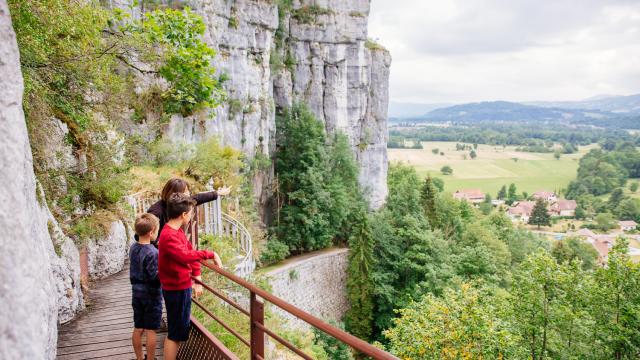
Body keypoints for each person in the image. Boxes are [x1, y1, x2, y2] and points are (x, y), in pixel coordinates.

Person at [159, 193, 222, 360]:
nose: (193, 215)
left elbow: (190, 252)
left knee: (176, 331)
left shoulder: (174, 231)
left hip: (179, 287)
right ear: (184, 214)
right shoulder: (169, 236)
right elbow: (186, 256)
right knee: (175, 334)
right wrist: (210, 254)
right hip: (176, 289)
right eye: (192, 212)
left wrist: (197, 277)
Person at [146, 178, 231, 245]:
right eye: (186, 191)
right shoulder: (156, 212)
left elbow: (198, 198)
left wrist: (218, 193)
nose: (189, 193)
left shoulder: (178, 203)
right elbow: (141, 235)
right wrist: (160, 243)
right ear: (176, 193)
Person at [130, 213, 162, 360]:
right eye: (156, 231)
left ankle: (139, 358)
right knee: (151, 330)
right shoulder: (153, 252)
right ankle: (150, 358)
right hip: (151, 295)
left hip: (136, 293)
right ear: (151, 232)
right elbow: (154, 277)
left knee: (138, 328)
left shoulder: (133, 248)